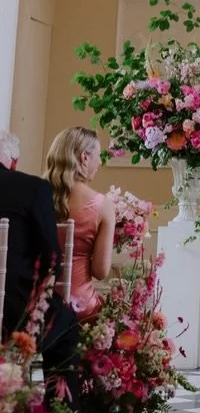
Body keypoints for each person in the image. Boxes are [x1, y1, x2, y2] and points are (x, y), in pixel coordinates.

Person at [0, 129, 109, 413]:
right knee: (65, 326)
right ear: (12, 161)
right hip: (11, 312)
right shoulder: (30, 188)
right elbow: (51, 257)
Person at [45, 126, 115, 321]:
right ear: (85, 157)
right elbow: (100, 272)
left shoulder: (37, 195)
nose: (99, 163)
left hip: (35, 306)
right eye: (98, 156)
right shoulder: (103, 205)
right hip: (79, 309)